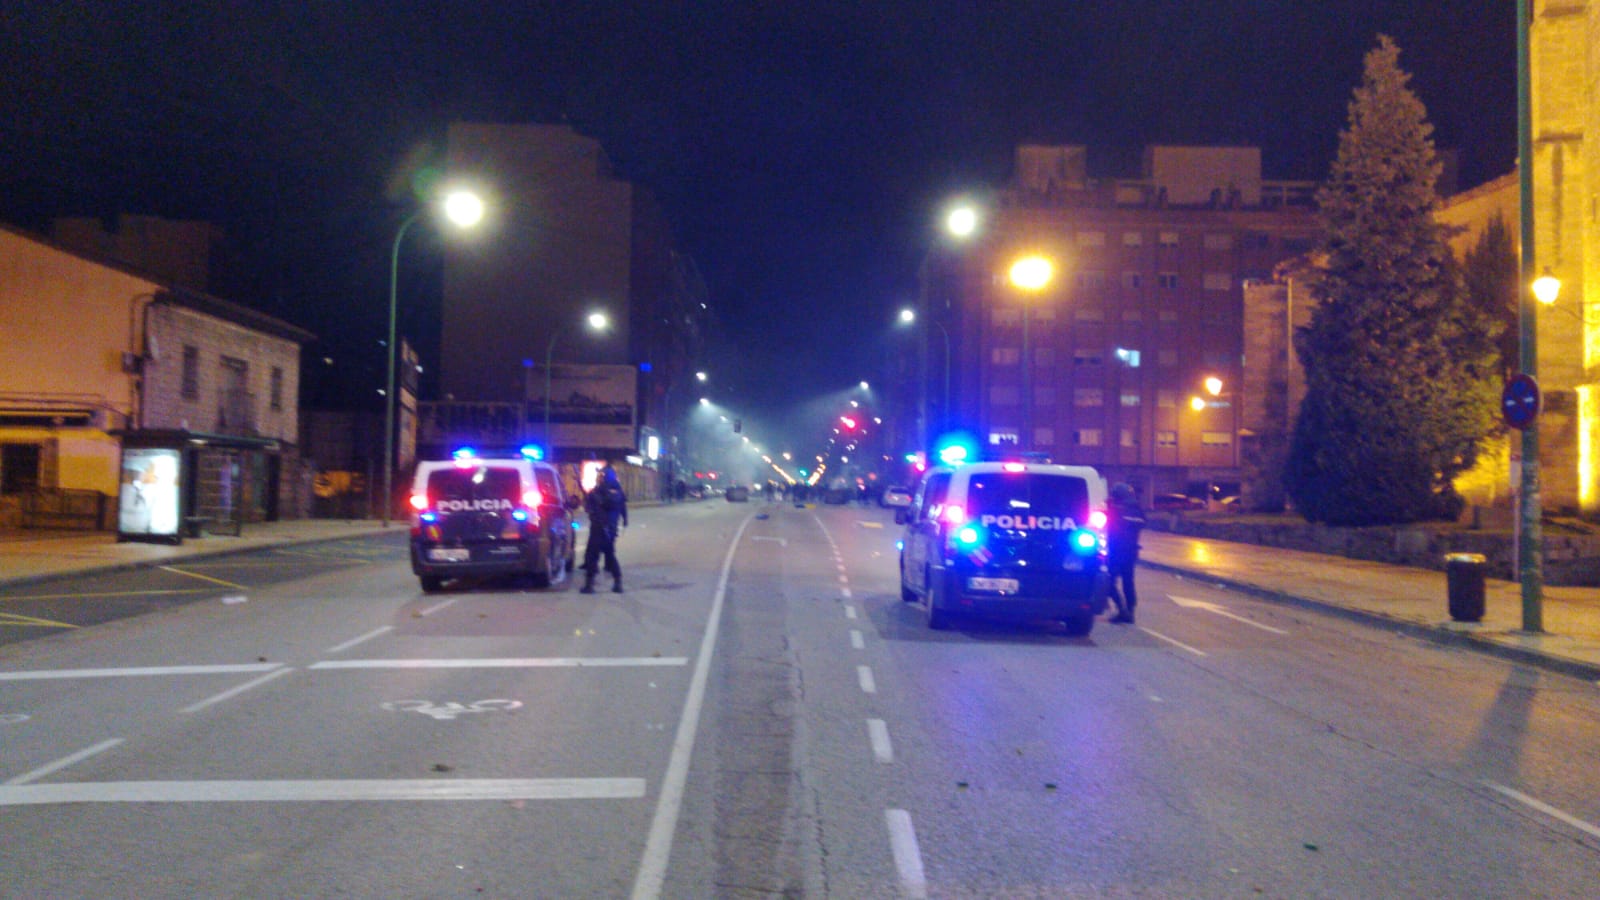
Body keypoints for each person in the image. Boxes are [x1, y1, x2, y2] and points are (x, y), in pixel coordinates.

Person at [581, 462, 629, 594]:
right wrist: (625, 520)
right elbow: (622, 507)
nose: (599, 478)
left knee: (592, 556)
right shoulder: (618, 491)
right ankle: (618, 583)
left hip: (599, 528)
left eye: (601, 475)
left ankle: (589, 585)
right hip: (610, 529)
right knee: (610, 555)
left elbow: (593, 506)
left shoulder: (600, 491)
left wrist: (590, 500)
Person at [1104, 482, 1146, 624]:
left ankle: (1121, 609)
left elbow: (1107, 524)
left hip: (1116, 551)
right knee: (1128, 582)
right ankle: (1130, 611)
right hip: (1131, 551)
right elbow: (1142, 524)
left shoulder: (1116, 510)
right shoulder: (1138, 511)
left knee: (1108, 581)